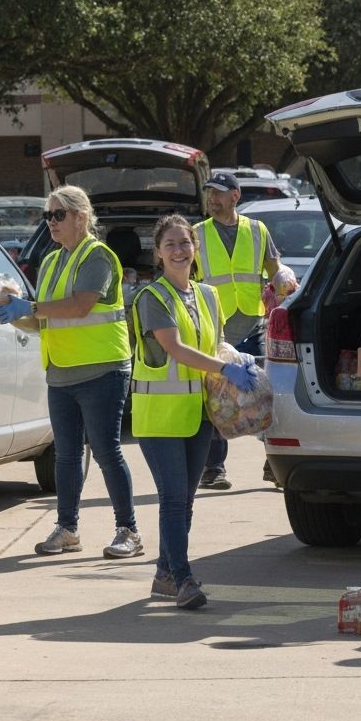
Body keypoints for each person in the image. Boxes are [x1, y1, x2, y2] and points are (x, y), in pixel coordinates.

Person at [0, 185, 142, 560]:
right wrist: (12, 315)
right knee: (66, 455)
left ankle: (129, 531)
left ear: (81, 216)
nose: (52, 222)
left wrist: (30, 306)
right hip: (61, 372)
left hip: (101, 370)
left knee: (107, 451)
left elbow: (78, 307)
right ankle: (68, 528)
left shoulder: (98, 257)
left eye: (58, 215)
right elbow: (46, 319)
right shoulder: (50, 261)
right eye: (47, 216)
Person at [131, 214, 257, 608]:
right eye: (170, 244)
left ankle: (165, 576)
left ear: (194, 249)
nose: (179, 250)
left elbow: (215, 342)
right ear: (158, 253)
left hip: (200, 414)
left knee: (184, 501)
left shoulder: (207, 295)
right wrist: (224, 368)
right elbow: (175, 348)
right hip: (160, 417)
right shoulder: (153, 298)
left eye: (184, 243)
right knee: (172, 498)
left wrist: (237, 359)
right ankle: (183, 579)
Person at [193, 171, 282, 489]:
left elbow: (275, 272)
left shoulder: (258, 230)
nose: (212, 199)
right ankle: (214, 469)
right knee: (217, 396)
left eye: (218, 193)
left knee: (267, 394)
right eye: (209, 194)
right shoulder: (197, 234)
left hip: (254, 323)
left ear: (235, 196)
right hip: (218, 328)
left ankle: (274, 464)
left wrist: (283, 280)